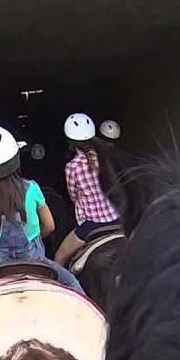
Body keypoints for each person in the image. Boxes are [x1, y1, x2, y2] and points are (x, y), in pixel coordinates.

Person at [0, 125, 85, 310]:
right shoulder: (32, 188)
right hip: (35, 260)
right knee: (72, 283)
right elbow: (50, 226)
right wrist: (33, 236)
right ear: (14, 160)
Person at [54, 113, 122, 266]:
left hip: (91, 224)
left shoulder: (72, 167)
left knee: (59, 258)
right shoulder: (108, 157)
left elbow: (73, 197)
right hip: (116, 218)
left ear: (70, 142)